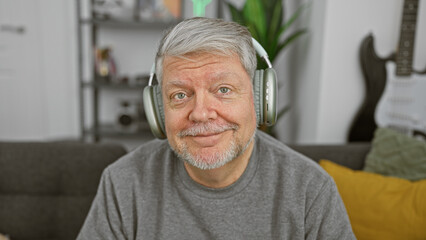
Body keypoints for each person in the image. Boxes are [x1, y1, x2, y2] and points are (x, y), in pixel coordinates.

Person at [77, 17, 355, 239]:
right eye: (180, 95)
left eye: (223, 89)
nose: (200, 113)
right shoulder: (123, 182)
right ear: (158, 111)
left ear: (258, 98)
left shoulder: (310, 190)